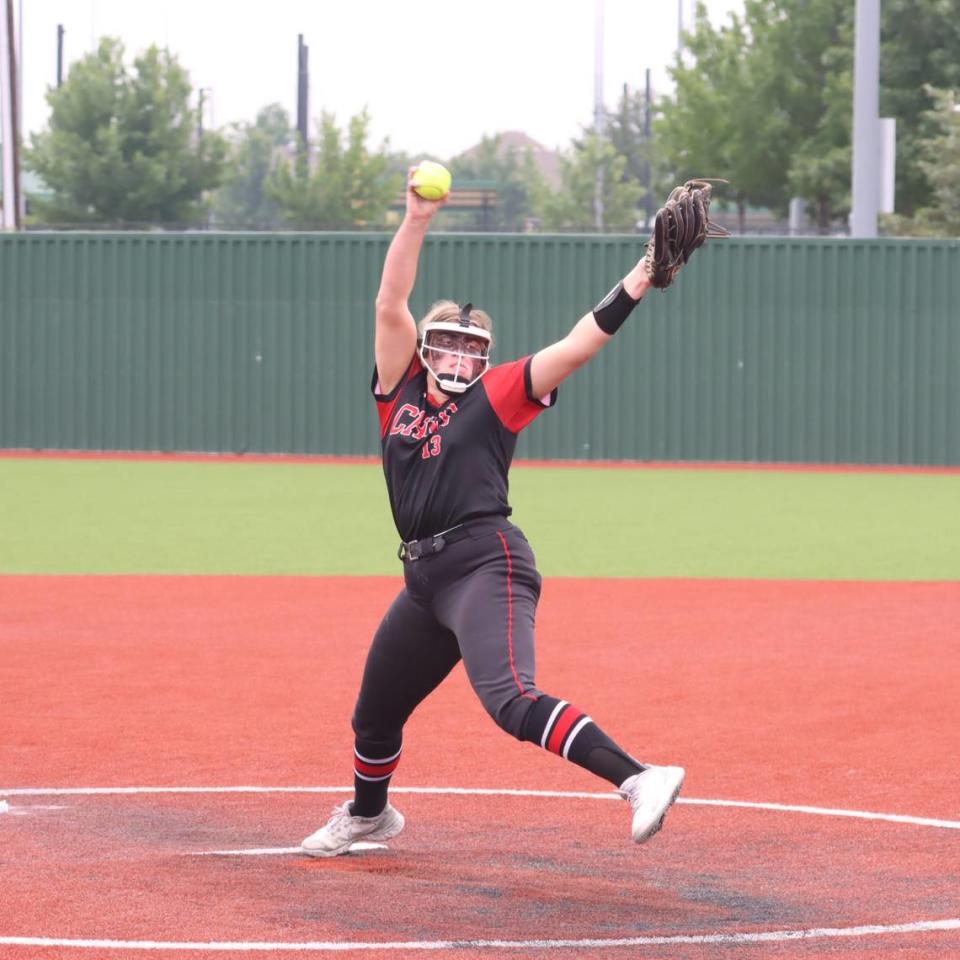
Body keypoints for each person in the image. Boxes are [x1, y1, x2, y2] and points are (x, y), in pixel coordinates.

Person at [301, 168, 687, 858]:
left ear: (486, 359)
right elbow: (391, 300)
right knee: (375, 715)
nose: (458, 355)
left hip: (485, 561)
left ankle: (639, 778)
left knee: (509, 699)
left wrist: (641, 275)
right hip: (425, 579)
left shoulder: (500, 392)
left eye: (472, 347)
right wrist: (416, 216)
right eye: (446, 341)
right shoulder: (400, 390)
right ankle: (369, 816)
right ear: (423, 347)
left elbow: (579, 343)